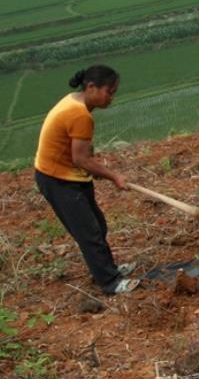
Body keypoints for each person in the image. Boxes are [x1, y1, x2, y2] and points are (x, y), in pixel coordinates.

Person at [34, 65, 138, 295]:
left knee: (98, 225)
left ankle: (105, 269)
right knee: (89, 232)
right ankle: (110, 283)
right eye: (109, 91)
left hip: (69, 174)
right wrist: (114, 177)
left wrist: (93, 169)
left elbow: (79, 152)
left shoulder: (75, 101)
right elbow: (80, 159)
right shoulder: (79, 114)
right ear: (91, 87)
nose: (111, 97)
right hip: (56, 179)